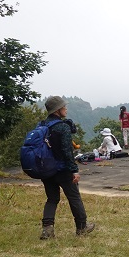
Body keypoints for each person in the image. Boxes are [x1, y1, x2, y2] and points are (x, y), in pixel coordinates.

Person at [38, 96, 93, 239]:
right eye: (64, 107)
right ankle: (82, 227)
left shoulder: (41, 125)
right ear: (58, 110)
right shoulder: (63, 127)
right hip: (62, 170)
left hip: (46, 170)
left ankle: (47, 230)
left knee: (51, 199)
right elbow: (67, 151)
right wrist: (74, 170)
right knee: (74, 197)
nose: (66, 109)